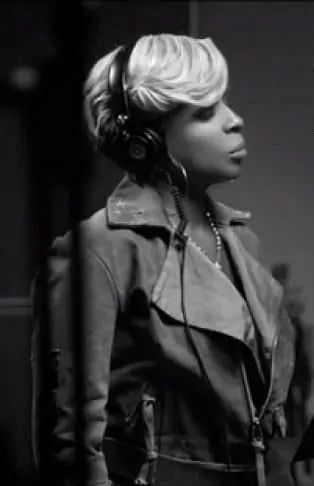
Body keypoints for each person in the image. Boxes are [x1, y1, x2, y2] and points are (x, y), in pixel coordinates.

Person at [29, 34, 296, 486]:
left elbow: (270, 424)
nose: (234, 121)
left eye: (224, 103)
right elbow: (70, 449)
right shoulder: (96, 251)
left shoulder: (243, 243)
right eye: (205, 112)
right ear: (147, 141)